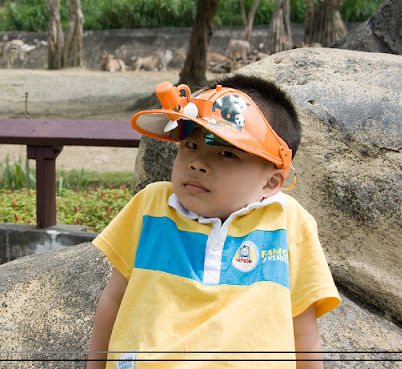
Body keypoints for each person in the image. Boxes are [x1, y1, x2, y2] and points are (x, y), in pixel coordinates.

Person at [87, 74, 340, 369]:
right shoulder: (152, 207)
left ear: (271, 182)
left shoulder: (288, 223)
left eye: (226, 152)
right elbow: (114, 300)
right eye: (191, 145)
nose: (197, 163)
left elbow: (304, 333)